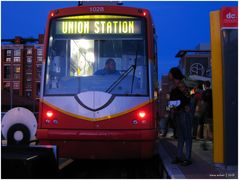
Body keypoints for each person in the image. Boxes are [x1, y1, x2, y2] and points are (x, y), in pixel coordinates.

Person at [168, 67, 193, 166]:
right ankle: (179, 156)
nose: (169, 75)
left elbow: (187, 98)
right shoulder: (174, 86)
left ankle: (188, 158)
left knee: (187, 136)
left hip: (184, 113)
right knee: (181, 136)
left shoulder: (182, 85)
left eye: (170, 73)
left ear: (173, 74)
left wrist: (177, 106)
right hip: (178, 114)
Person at [201, 81, 213, 150]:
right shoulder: (212, 92)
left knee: (206, 125)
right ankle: (205, 141)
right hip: (211, 110)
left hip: (206, 111)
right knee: (207, 125)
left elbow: (203, 102)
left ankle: (210, 138)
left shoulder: (204, 92)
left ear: (205, 85)